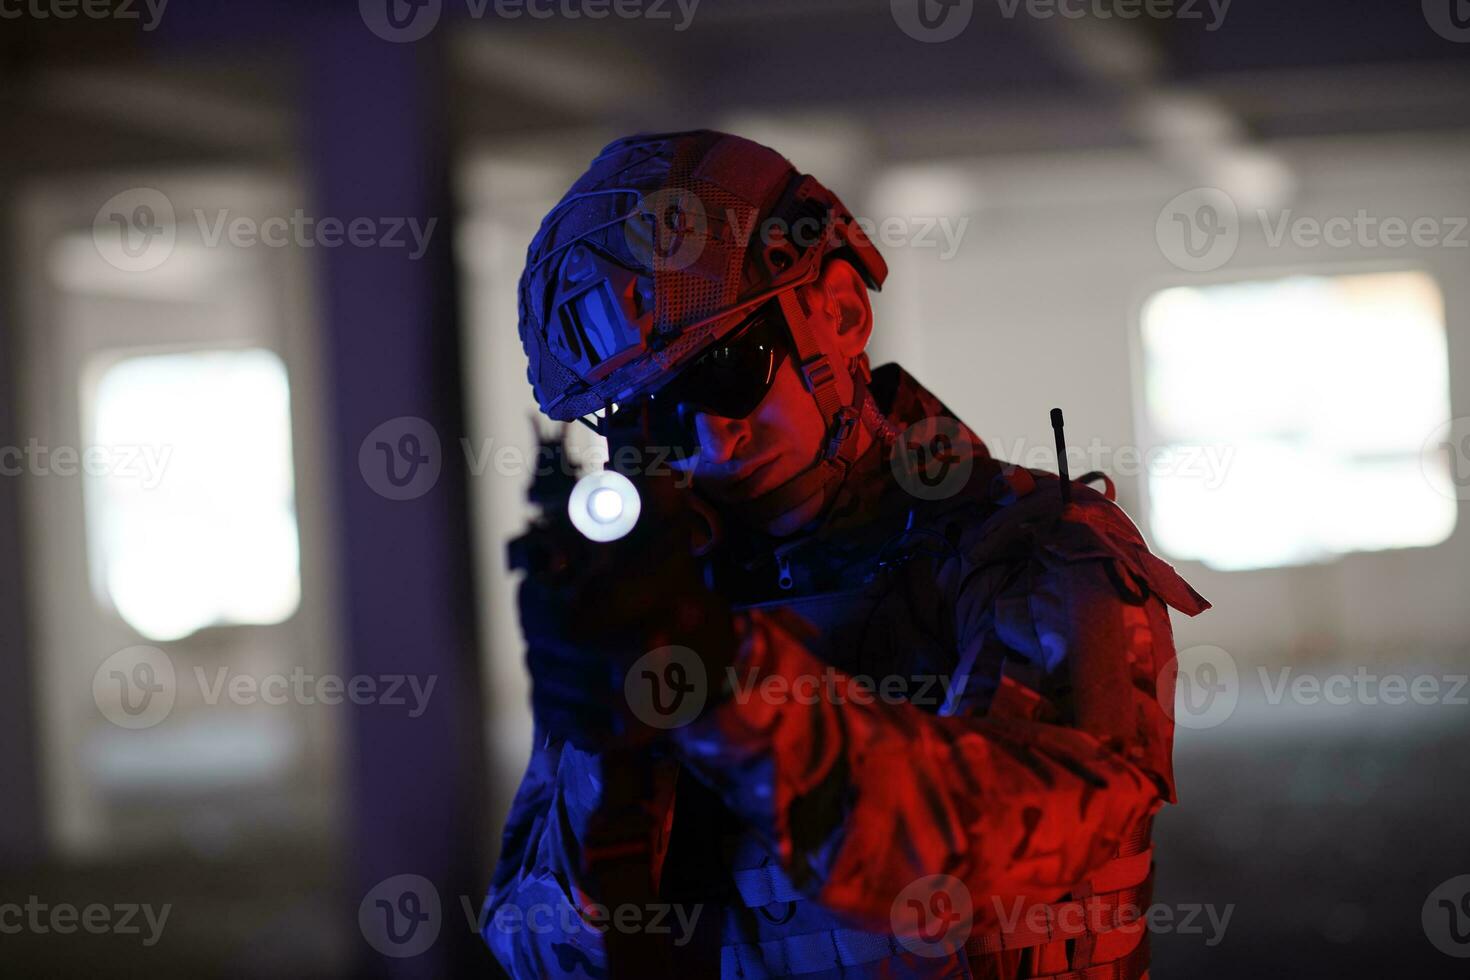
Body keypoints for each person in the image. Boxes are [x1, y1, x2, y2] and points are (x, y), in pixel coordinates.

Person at [483, 129, 1209, 979]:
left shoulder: (1038, 550)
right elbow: (543, 951)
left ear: (838, 313)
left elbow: (978, 858)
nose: (702, 441)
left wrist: (724, 687)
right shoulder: (662, 602)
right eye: (644, 420)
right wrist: (610, 758)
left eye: (725, 372)